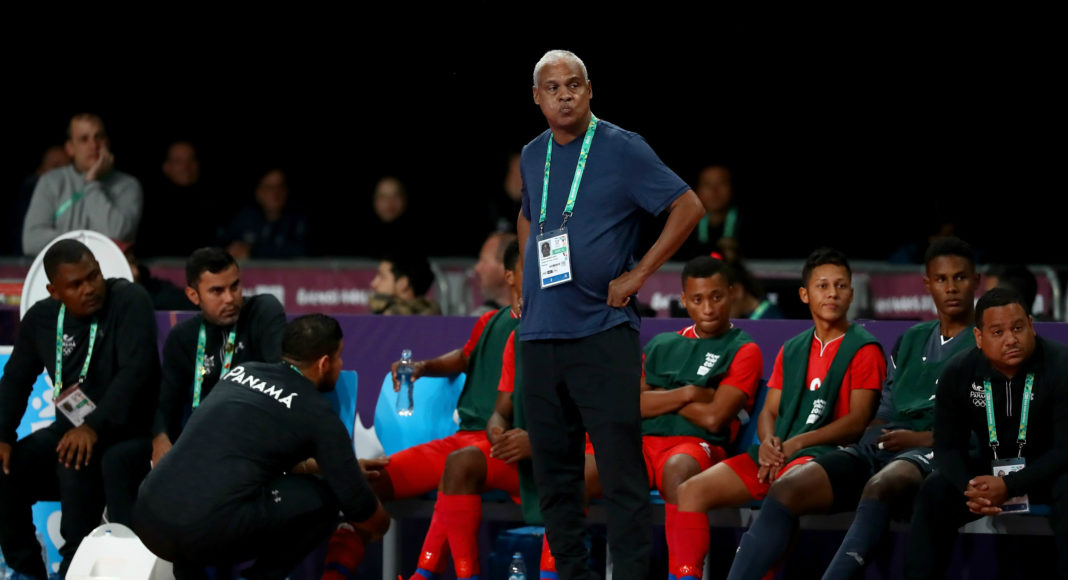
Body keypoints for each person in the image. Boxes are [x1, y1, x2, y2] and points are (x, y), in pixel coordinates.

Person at [516, 49, 705, 580]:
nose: (565, 95)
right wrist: (524, 280)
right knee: (555, 478)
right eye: (553, 87)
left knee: (621, 475)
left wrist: (639, 274)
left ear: (590, 89)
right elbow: (528, 216)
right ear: (537, 98)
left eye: (574, 84)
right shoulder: (533, 154)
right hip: (540, 336)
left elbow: (688, 206)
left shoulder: (623, 148)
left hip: (602, 331)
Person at [725, 236, 979, 580]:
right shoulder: (911, 339)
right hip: (883, 447)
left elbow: (980, 427)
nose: (950, 288)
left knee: (882, 483)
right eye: (941, 279)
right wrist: (874, 435)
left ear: (976, 281)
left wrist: (917, 438)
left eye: (960, 278)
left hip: (930, 452)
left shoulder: (983, 344)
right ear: (927, 284)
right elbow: (884, 409)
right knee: (787, 488)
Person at [670, 248, 886, 580]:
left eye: (841, 286)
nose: (832, 293)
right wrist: (769, 442)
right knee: (690, 491)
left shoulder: (865, 349)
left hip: (824, 455)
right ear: (804, 294)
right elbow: (769, 411)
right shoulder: (792, 347)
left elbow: (857, 422)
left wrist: (797, 443)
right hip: (777, 453)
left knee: (784, 490)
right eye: (823, 286)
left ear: (851, 293)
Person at [132, 314, 390, 580]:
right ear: (324, 363)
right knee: (325, 499)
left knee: (207, 499)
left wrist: (338, 468)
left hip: (148, 515)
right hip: (200, 529)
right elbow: (361, 508)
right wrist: (381, 523)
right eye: (339, 357)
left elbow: (253, 453)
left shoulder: (242, 372)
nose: (341, 364)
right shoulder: (317, 412)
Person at [0, 240, 160, 578]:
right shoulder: (41, 319)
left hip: (124, 431)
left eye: (93, 276)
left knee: (73, 459)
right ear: (54, 291)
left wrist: (93, 426)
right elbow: (15, 380)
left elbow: (136, 372)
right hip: (70, 432)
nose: (89, 288)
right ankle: (27, 570)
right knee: (6, 471)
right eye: (75, 284)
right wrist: (1, 434)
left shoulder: (129, 300)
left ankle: (73, 565)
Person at [904, 287, 1068, 579]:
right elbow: (947, 447)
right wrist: (970, 488)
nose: (1011, 339)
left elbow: (1064, 450)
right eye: (998, 332)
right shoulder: (958, 372)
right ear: (979, 337)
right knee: (934, 490)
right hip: (986, 475)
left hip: (1046, 473)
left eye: (1018, 328)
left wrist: (1009, 485)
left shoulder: (1060, 365)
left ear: (1031, 325)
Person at [389, 240, 526, 580]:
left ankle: (431, 573)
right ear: (510, 276)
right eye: (532, 267)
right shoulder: (490, 321)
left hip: (510, 446)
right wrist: (423, 367)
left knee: (459, 466)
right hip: (464, 438)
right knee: (371, 480)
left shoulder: (552, 327)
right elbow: (465, 356)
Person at [637, 256, 763, 577]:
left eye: (716, 297)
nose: (707, 308)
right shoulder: (662, 344)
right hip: (644, 443)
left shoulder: (744, 349)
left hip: (697, 446)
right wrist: (689, 393)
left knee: (678, 472)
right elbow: (632, 405)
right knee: (585, 471)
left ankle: (685, 574)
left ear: (731, 293)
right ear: (683, 300)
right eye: (697, 299)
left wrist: (661, 395)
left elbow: (714, 418)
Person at [22, 114, 144, 256]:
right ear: (70, 148)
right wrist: (88, 241)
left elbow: (117, 235)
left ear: (108, 142)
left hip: (111, 268)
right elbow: (32, 241)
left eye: (99, 137)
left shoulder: (128, 185)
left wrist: (91, 182)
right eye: (84, 139)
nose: (94, 145)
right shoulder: (51, 182)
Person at [138, 141, 221, 258]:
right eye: (178, 161)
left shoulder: (213, 200)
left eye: (191, 160)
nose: (186, 167)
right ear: (166, 167)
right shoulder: (149, 203)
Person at [223, 169, 307, 260]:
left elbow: (301, 252)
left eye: (280, 187)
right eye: (269, 188)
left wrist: (254, 252)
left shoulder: (298, 219)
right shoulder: (246, 218)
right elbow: (224, 245)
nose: (275, 193)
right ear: (258, 192)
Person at [6, 145, 71, 255]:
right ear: (40, 170)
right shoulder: (26, 197)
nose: (62, 173)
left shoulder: (76, 194)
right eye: (56, 166)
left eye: (67, 167)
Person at [674, 165, 742, 263]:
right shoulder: (683, 225)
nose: (714, 191)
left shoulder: (746, 223)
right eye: (707, 184)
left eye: (721, 183)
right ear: (696, 190)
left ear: (732, 188)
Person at [369, 254, 441, 315]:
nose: (373, 283)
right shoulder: (436, 322)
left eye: (382, 277)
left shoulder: (385, 322)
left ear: (403, 283)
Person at [471, 231, 518, 316]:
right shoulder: (480, 318)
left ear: (505, 266)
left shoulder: (531, 316)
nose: (477, 268)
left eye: (484, 260)